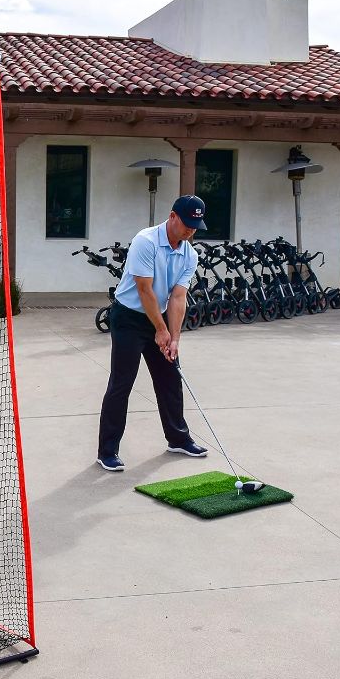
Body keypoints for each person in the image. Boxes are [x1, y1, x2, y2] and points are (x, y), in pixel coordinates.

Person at [97, 195, 209, 472]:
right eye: (187, 224)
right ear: (172, 216)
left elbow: (178, 297)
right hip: (128, 319)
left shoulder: (189, 254)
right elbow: (144, 290)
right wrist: (160, 329)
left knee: (171, 378)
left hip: (158, 317)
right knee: (122, 383)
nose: (190, 231)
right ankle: (107, 451)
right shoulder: (145, 241)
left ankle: (178, 439)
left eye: (196, 226)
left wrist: (174, 338)